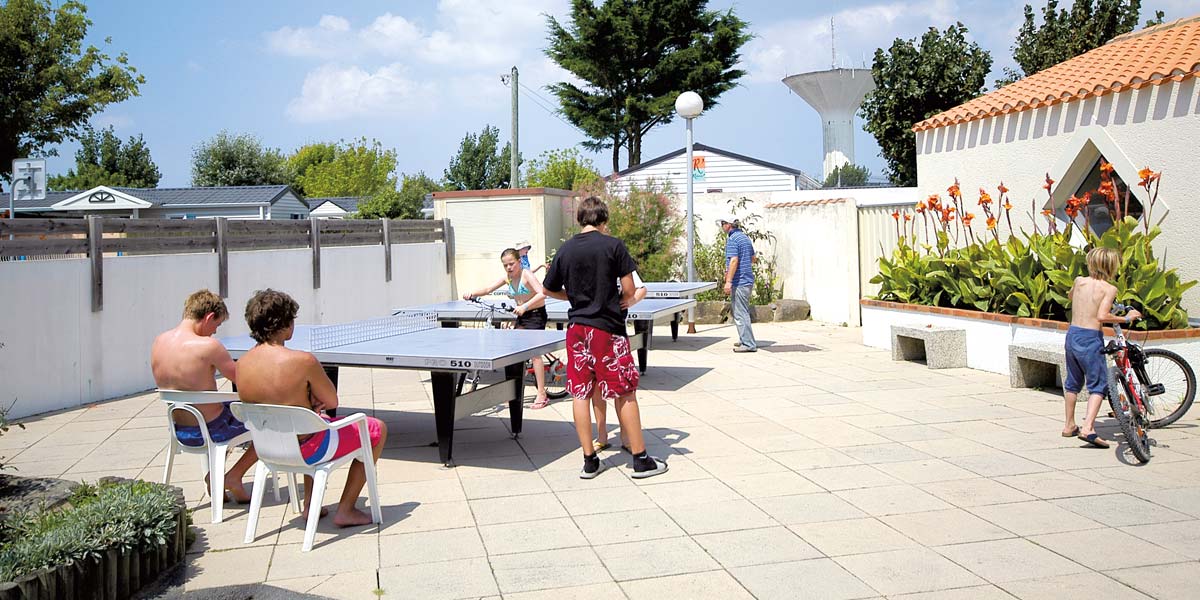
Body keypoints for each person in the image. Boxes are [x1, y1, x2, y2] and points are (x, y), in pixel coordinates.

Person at [235, 289, 388, 527]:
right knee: (376, 428)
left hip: (268, 449)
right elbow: (332, 401)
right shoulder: (303, 361)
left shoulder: (241, 364)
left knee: (314, 422)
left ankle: (310, 505)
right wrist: (312, 401)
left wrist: (306, 403)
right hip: (309, 449)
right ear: (285, 324)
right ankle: (346, 509)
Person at [542, 196, 668, 480]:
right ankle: (640, 459)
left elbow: (548, 289)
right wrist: (622, 300)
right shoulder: (613, 245)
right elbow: (630, 289)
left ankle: (589, 461)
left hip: (577, 330)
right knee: (625, 391)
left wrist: (574, 297)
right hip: (607, 330)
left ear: (580, 219)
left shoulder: (566, 249)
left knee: (580, 393)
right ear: (604, 220)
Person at [151, 289, 258, 504]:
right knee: (268, 423)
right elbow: (242, 379)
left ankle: (215, 476)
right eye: (216, 325)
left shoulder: (159, 342)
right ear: (209, 317)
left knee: (228, 408)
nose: (214, 332)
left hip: (180, 430)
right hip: (211, 430)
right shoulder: (208, 346)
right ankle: (234, 476)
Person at [1062, 247, 1140, 448]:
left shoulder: (1079, 281)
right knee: (1098, 384)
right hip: (1090, 338)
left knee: (1073, 382)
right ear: (1111, 266)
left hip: (1072, 335)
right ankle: (1088, 428)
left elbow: (1071, 297)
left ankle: (1069, 425)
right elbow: (1102, 316)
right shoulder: (1109, 289)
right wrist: (1126, 318)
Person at [462, 248, 552, 408]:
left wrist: (525, 306)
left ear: (519, 262)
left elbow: (542, 293)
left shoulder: (526, 274)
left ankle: (542, 394)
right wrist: (472, 293)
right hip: (522, 316)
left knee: (534, 353)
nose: (509, 267)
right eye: (505, 265)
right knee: (514, 353)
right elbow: (488, 289)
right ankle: (513, 391)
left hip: (536, 315)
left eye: (511, 264)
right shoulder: (508, 278)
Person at [592, 222, 646, 453]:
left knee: (620, 386)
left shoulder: (618, 258)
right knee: (596, 387)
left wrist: (629, 301)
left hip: (614, 329)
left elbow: (640, 288)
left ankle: (626, 436)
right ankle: (601, 434)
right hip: (592, 330)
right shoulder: (589, 260)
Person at [718, 214, 757, 352]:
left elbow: (734, 260)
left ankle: (748, 344)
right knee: (741, 311)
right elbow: (753, 258)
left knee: (740, 313)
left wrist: (728, 281)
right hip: (747, 279)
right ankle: (743, 339)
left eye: (722, 223)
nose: (721, 226)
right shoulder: (744, 237)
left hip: (740, 282)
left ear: (728, 225)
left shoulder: (733, 239)